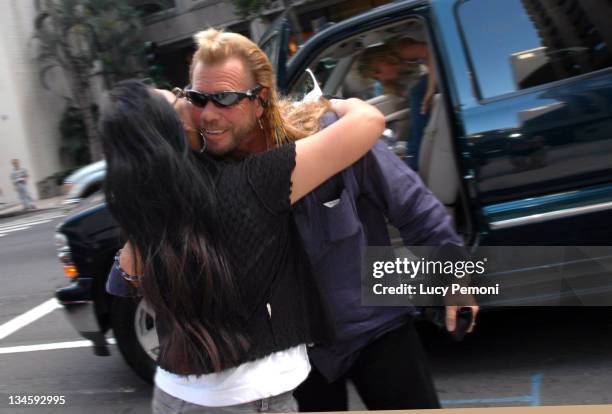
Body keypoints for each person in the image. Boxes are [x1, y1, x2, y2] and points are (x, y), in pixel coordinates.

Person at [101, 78, 385, 414]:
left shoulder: (147, 209)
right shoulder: (255, 180)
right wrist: (329, 103)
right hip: (250, 401)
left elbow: (123, 278)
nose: (192, 99)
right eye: (179, 96)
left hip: (172, 396)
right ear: (174, 125)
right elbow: (369, 121)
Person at [358, 39, 437, 171]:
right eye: (376, 77)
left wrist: (430, 88)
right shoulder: (395, 75)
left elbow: (431, 50)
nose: (381, 77)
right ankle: (412, 156)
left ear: (383, 58)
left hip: (439, 73)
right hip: (424, 84)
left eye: (378, 70)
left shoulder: (400, 49)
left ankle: (414, 162)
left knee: (417, 93)